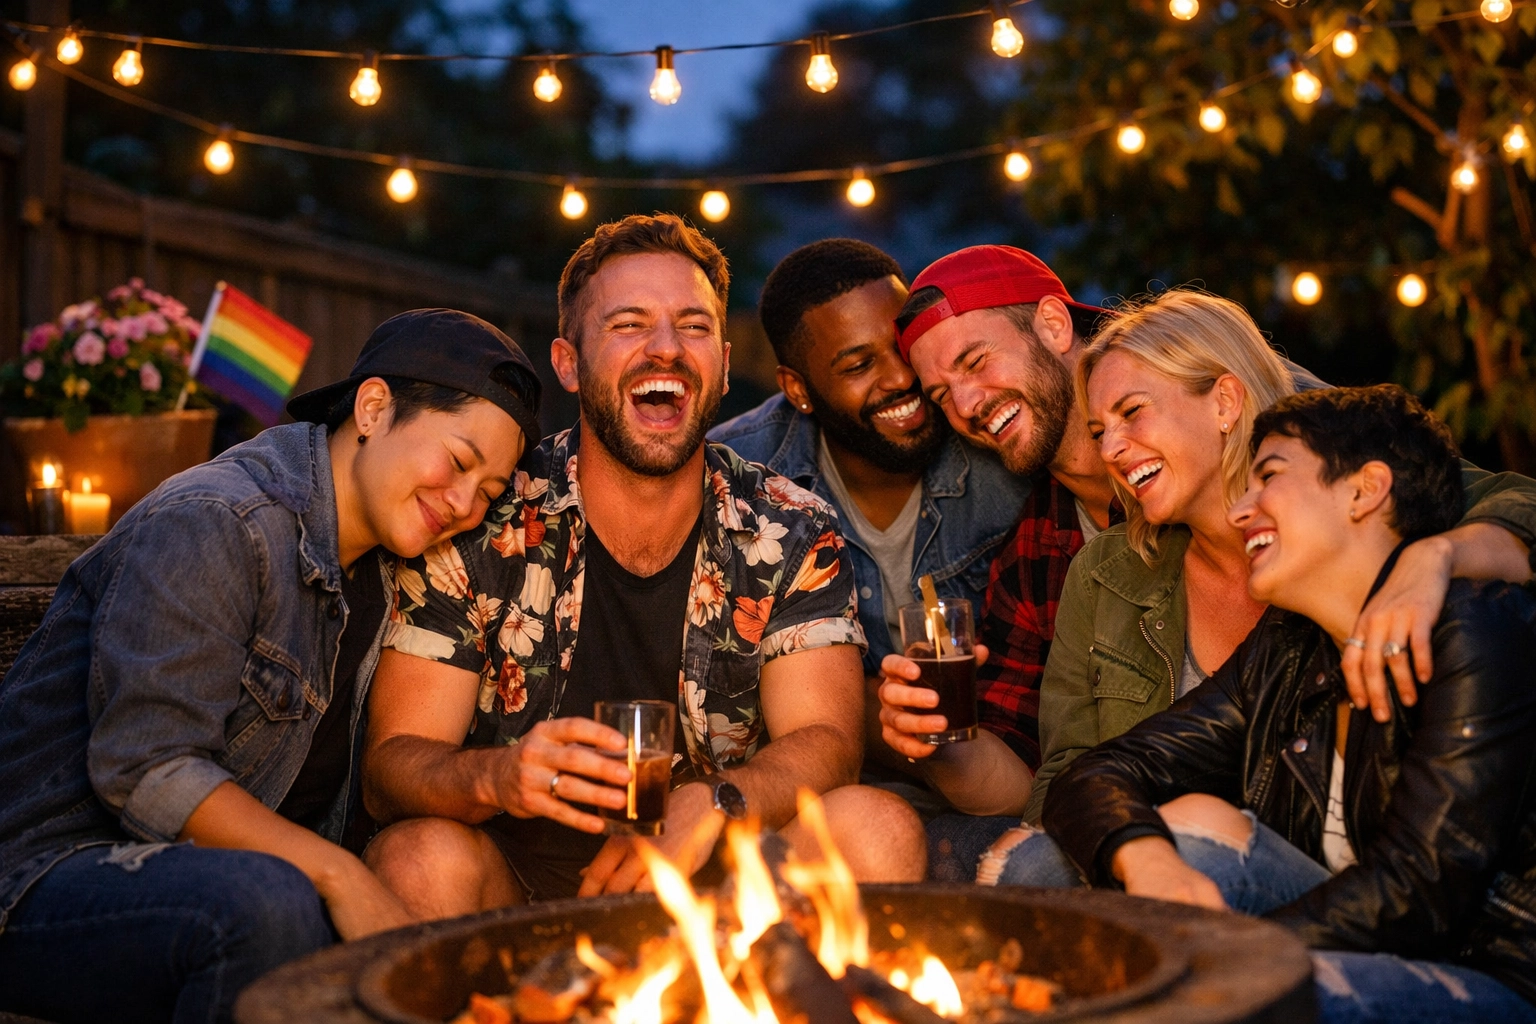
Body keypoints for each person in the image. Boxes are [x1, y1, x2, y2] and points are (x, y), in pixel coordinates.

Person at [878, 253, 1535, 878]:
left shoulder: (1328, 485)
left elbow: (1505, 500)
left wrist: (1435, 557)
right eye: (941, 395)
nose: (965, 404)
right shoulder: (1079, 558)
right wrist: (940, 738)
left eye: (975, 361)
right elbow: (1063, 782)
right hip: (1175, 871)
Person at [362, 214, 926, 915]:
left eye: (693, 326)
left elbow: (830, 742)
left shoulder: (790, 525)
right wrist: (499, 777)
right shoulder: (482, 513)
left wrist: (717, 801)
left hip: (719, 899)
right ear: (569, 363)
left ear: (723, 364)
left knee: (876, 827)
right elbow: (394, 765)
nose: (666, 348)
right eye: (629, 325)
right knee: (417, 859)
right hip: (515, 894)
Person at [0, 309, 542, 1024]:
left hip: (217, 889)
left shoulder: (392, 572)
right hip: (44, 877)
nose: (466, 503)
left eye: (491, 492)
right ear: (373, 409)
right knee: (272, 906)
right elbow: (146, 770)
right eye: (460, 462)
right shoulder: (220, 520)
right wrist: (338, 875)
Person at [1043, 385, 1536, 1023]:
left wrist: (1219, 956)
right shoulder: (1289, 647)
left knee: (1223, 992)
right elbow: (1096, 772)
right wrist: (1147, 859)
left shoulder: (1475, 632)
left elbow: (1419, 892)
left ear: (1365, 491)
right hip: (1353, 943)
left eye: (1269, 477)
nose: (1241, 510)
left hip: (1495, 975)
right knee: (1118, 851)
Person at [708, 239, 1030, 803]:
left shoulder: (994, 438)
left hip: (993, 781)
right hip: (823, 804)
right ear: (798, 390)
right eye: (859, 365)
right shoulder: (737, 481)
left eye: (902, 348)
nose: (902, 378)